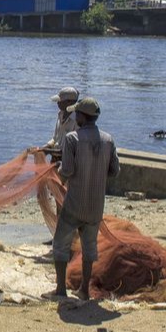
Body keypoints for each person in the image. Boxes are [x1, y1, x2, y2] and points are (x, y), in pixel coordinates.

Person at [44, 97, 120, 301]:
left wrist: (54, 176)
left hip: (75, 203)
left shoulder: (72, 139)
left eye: (77, 113)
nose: (75, 116)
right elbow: (114, 171)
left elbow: (67, 170)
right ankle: (84, 290)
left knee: (60, 244)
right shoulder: (108, 139)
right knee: (89, 247)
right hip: (96, 206)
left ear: (82, 117)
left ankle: (60, 290)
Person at [42, 87, 79, 154]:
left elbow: (74, 149)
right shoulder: (60, 114)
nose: (57, 103)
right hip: (55, 157)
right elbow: (55, 138)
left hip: (68, 160)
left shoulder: (78, 120)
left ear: (69, 102)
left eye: (60, 101)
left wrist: (48, 151)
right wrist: (47, 146)